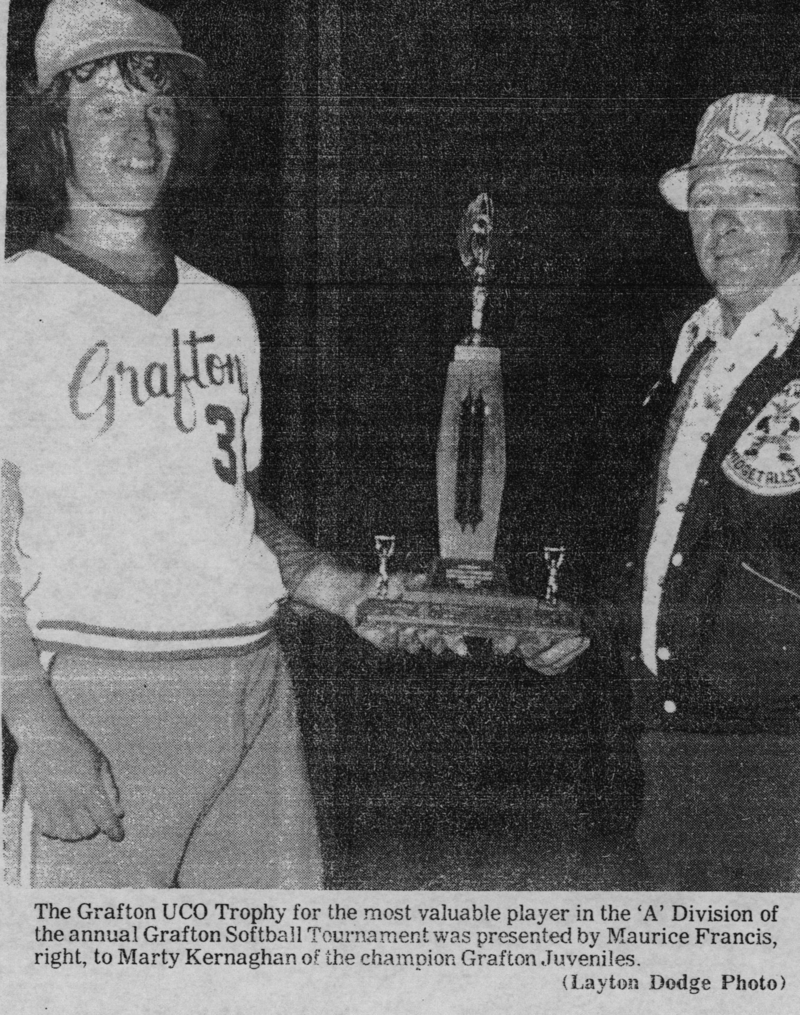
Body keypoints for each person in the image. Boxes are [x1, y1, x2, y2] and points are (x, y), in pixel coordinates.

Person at [1, 0, 577, 889]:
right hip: (109, 694)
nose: (140, 136)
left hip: (256, 685)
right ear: (53, 133)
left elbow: (229, 510)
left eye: (158, 109)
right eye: (105, 108)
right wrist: (37, 725)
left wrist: (347, 592)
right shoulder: (15, 303)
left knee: (270, 969)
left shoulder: (223, 310)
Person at [626, 93, 800, 890]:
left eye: (753, 196)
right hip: (672, 743)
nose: (720, 225)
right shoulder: (691, 345)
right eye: (704, 201)